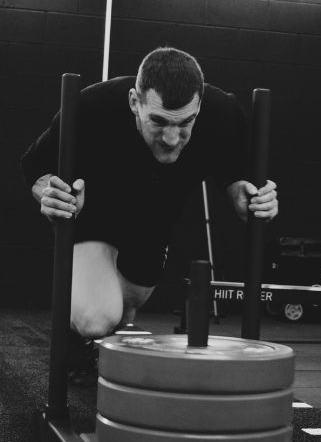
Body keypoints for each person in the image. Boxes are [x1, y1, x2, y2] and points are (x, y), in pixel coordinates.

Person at [21, 46, 278, 383]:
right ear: (134, 102)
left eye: (186, 123)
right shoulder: (90, 107)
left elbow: (234, 174)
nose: (172, 139)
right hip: (95, 214)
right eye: (158, 122)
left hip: (154, 220)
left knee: (128, 307)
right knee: (97, 318)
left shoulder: (223, 114)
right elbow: (35, 167)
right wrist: (51, 195)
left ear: (199, 106)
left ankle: (110, 331)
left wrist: (249, 197)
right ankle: (77, 336)